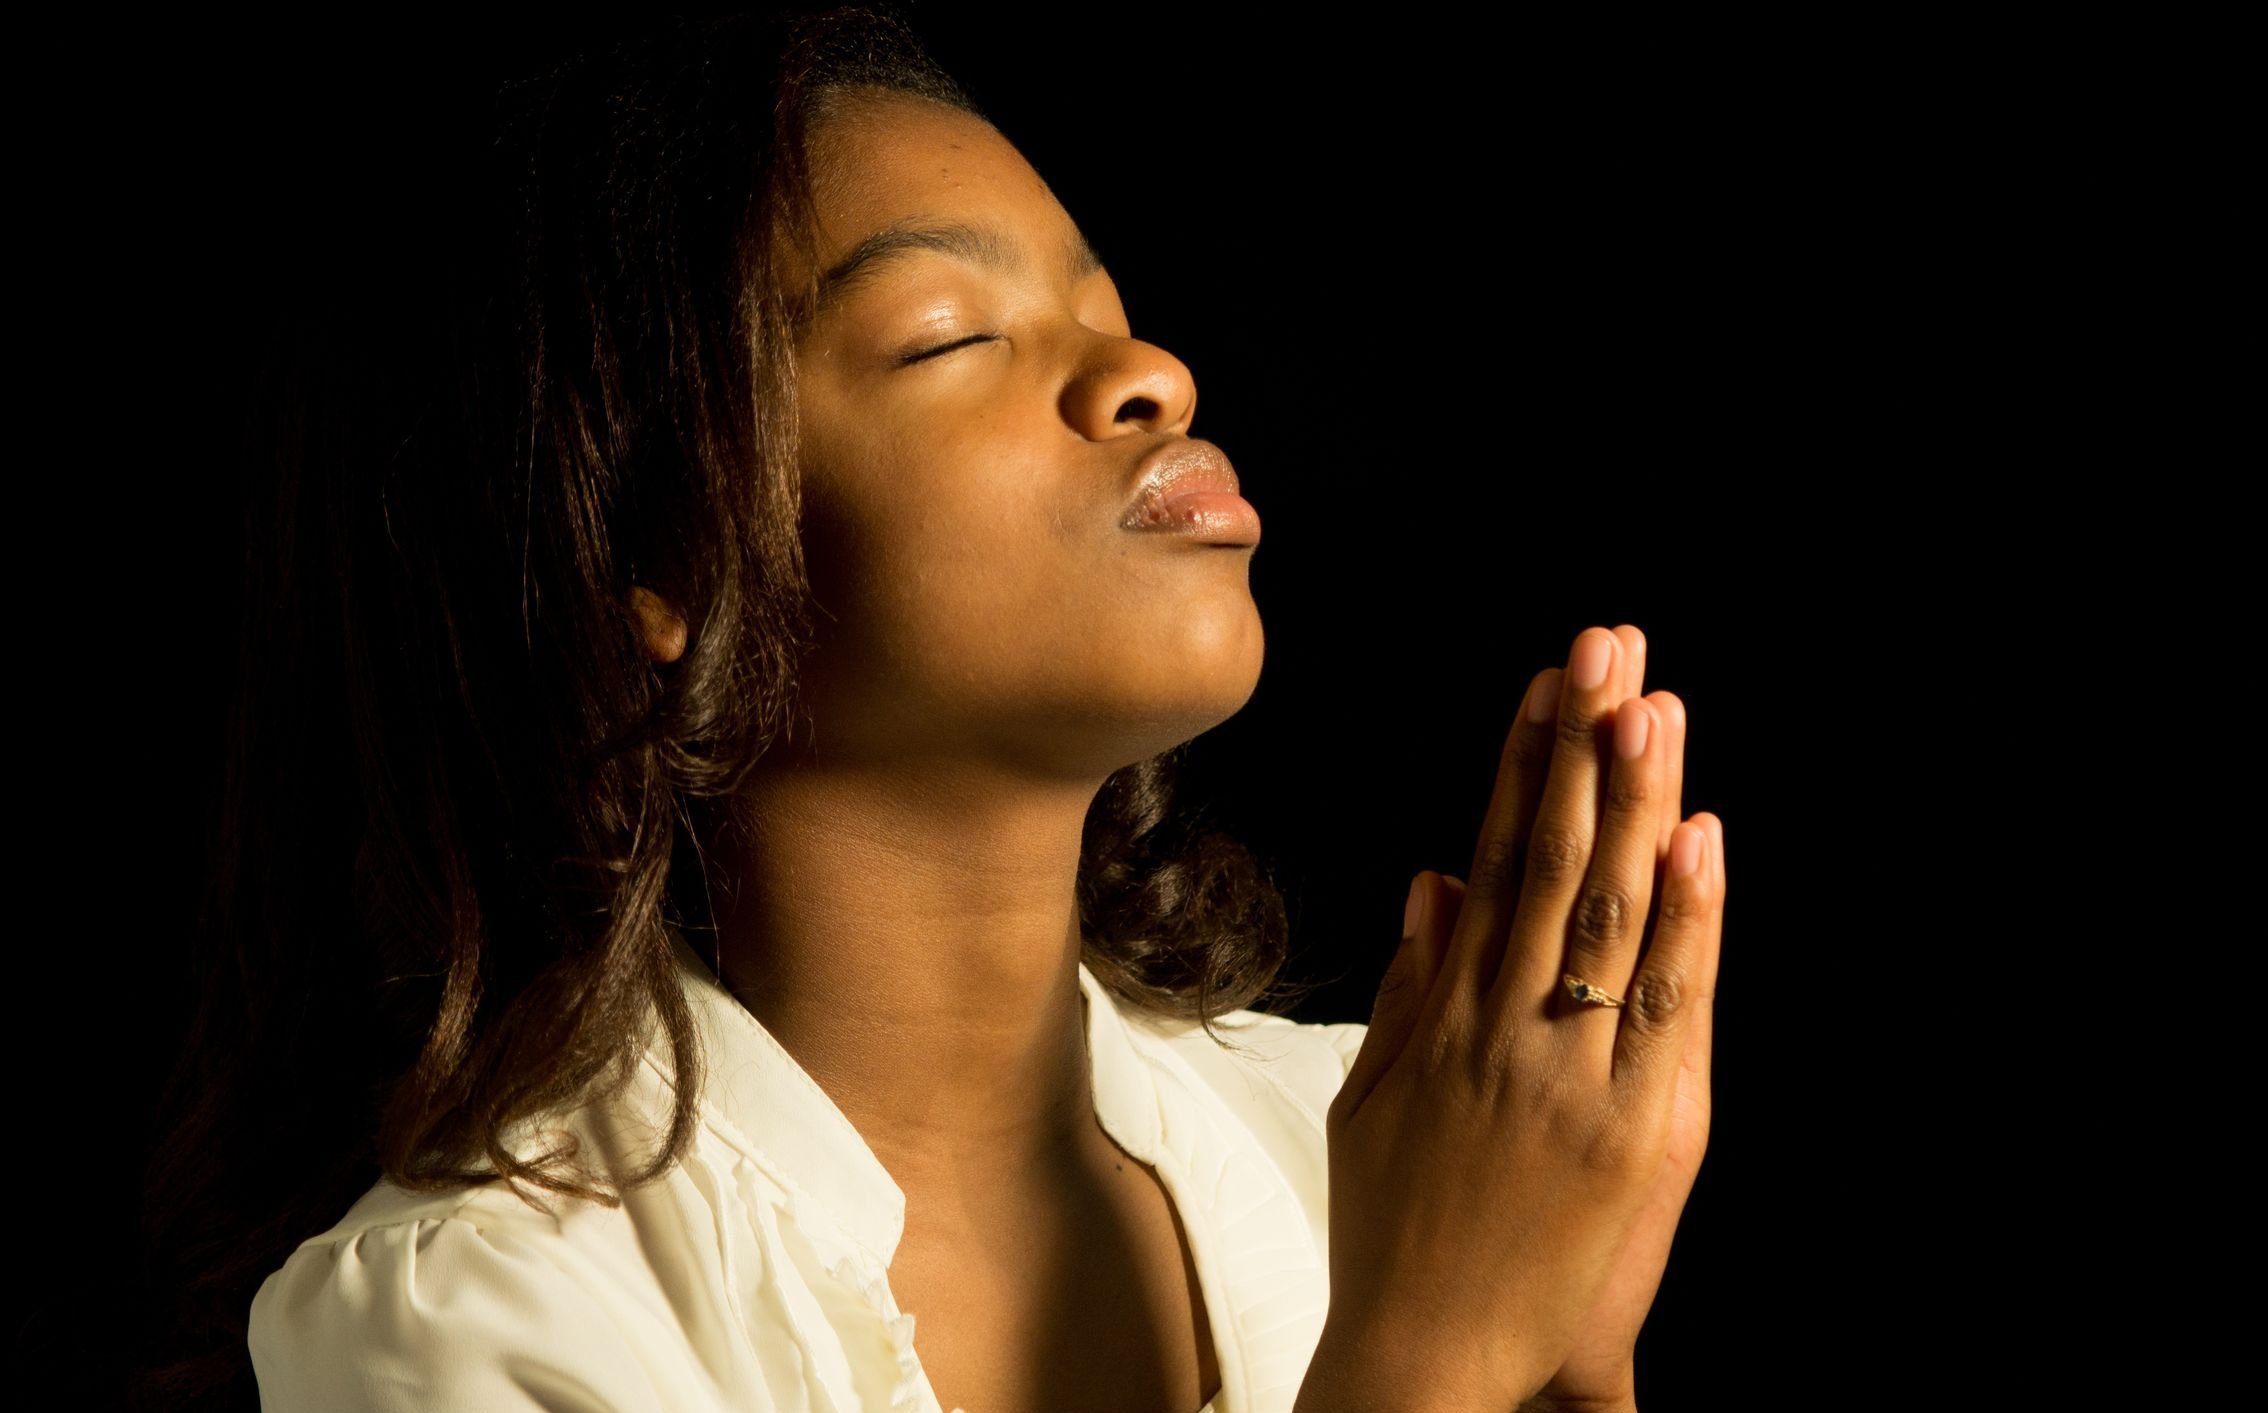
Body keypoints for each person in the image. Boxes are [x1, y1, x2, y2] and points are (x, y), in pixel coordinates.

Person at [136, 10, 1725, 1413]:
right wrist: (1429, 1358)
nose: (1152, 374)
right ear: (654, 566)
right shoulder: (480, 1315)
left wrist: (1571, 1374)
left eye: (1110, 309)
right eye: (949, 333)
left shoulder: (1366, 1142)